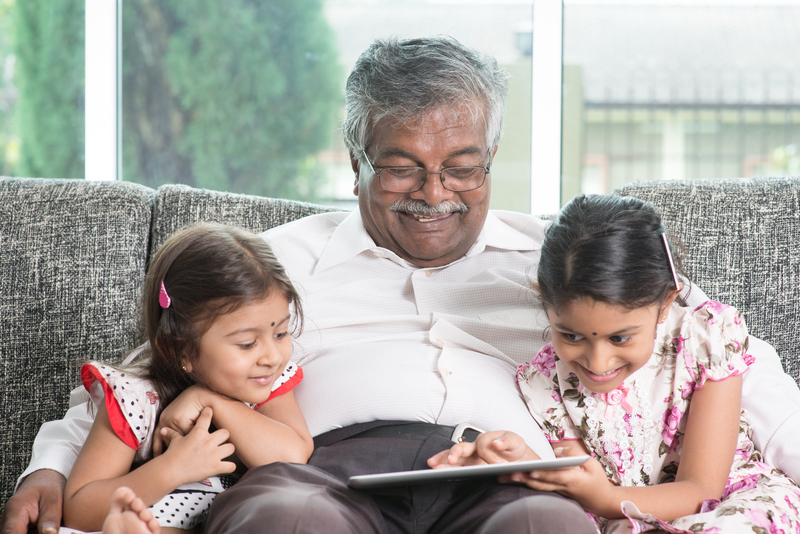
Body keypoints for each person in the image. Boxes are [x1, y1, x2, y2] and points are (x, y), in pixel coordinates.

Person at [3, 36, 799, 534]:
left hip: (501, 477)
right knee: (285, 519)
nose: (435, 193)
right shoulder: (279, 263)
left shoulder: (560, 261)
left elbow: (729, 363)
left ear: (489, 162)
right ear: (354, 159)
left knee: (546, 527)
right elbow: (144, 372)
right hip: (317, 475)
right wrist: (48, 469)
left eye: (462, 167)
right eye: (401, 167)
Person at [431, 194, 800, 533]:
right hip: (626, 521)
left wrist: (605, 496)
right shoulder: (542, 384)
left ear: (666, 302)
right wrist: (516, 456)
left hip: (731, 505)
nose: (597, 361)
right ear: (545, 302)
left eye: (620, 338)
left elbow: (702, 489)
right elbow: (572, 481)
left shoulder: (705, 341)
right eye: (572, 336)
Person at [61, 223, 313, 532]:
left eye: (280, 333)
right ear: (182, 349)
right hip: (157, 518)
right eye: (247, 344)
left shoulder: (264, 381)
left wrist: (211, 402)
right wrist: (171, 469)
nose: (272, 356)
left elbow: (292, 456)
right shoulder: (136, 397)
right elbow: (77, 509)